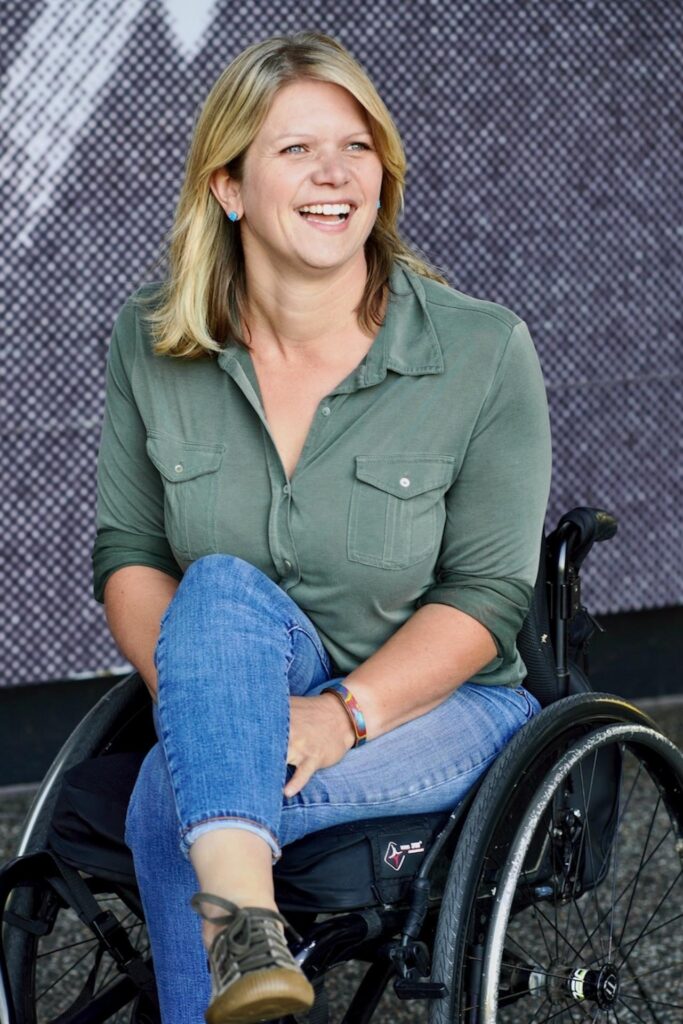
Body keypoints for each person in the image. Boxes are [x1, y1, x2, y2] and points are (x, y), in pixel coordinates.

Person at [92, 30, 552, 1024]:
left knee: (174, 803)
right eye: (294, 149)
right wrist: (212, 708)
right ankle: (248, 929)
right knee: (212, 583)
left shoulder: (479, 350)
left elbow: (486, 598)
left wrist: (341, 711)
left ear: (382, 173)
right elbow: (129, 555)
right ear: (227, 185)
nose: (333, 173)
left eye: (356, 146)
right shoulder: (150, 340)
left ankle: (231, 931)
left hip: (436, 705)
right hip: (239, 682)